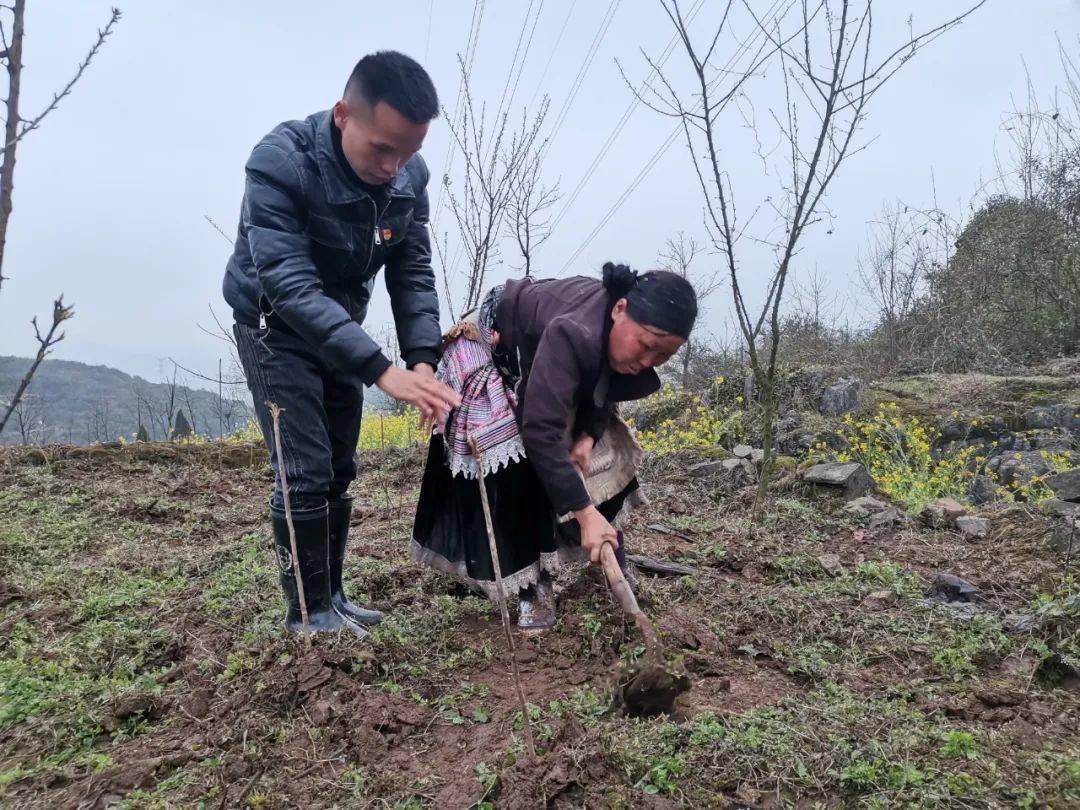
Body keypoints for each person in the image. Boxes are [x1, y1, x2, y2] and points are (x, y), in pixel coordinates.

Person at [224, 51, 460, 639]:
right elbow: (287, 283)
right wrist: (380, 369)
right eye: (382, 148)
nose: (394, 165)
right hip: (274, 325)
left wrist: (423, 360)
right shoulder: (281, 163)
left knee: (338, 466)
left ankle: (331, 596)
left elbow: (413, 269)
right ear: (341, 116)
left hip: (341, 331)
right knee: (303, 470)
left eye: (408, 151)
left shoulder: (408, 178)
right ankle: (307, 614)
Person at [412, 263, 697, 629]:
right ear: (620, 309)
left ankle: (613, 567)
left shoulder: (614, 336)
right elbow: (540, 431)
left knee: (598, 453)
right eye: (646, 346)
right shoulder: (573, 332)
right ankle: (533, 586)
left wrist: (588, 436)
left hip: (546, 364)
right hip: (495, 345)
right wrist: (583, 511)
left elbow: (601, 384)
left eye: (662, 357)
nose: (647, 362)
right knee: (513, 456)